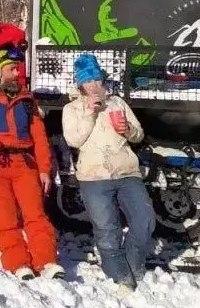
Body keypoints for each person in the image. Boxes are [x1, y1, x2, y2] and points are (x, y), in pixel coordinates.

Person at [0, 46, 65, 281]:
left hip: (23, 165)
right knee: (4, 218)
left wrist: (45, 170)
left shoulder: (27, 102)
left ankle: (46, 261)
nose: (17, 74)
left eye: (16, 69)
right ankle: (19, 263)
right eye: (11, 69)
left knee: (36, 215)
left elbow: (39, 138)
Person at [61, 53, 155, 293]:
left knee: (144, 221)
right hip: (94, 177)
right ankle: (121, 275)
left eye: (97, 79)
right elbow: (74, 140)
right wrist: (90, 113)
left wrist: (128, 130)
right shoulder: (71, 109)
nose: (94, 85)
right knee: (107, 230)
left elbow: (139, 134)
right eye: (88, 81)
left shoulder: (117, 103)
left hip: (126, 171)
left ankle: (133, 263)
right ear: (79, 84)